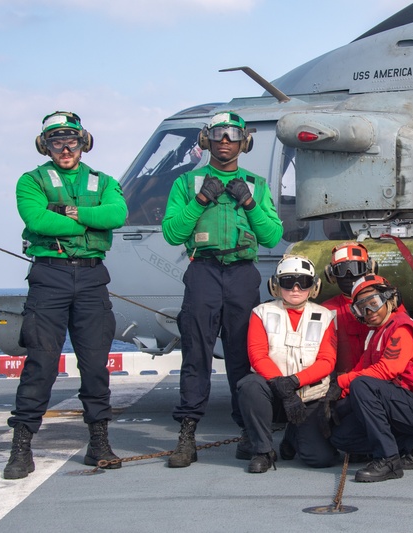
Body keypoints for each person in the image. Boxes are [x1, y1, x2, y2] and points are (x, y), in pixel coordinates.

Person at [4, 111, 128, 479]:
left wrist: (71, 212)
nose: (65, 147)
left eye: (71, 139)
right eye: (56, 140)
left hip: (91, 279)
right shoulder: (31, 181)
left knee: (95, 366)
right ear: (46, 145)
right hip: (49, 276)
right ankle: (22, 446)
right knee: (40, 364)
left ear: (83, 141)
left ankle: (99, 443)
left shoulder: (103, 180)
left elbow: (117, 215)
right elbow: (38, 220)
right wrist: (90, 220)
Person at [162, 112, 283, 467]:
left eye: (232, 135)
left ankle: (248, 431)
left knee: (243, 356)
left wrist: (248, 203)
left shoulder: (255, 185)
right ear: (207, 140)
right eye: (218, 135)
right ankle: (187, 436)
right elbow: (172, 233)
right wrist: (200, 201)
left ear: (244, 142)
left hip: (243, 274)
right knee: (196, 354)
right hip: (203, 271)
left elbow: (273, 235)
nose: (225, 141)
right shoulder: (187, 182)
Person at [329, 275, 413, 482]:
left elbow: (387, 370)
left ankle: (388, 459)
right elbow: (360, 369)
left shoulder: (401, 327)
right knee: (341, 437)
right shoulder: (375, 335)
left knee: (362, 385)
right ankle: (411, 441)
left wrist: (340, 383)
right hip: (400, 405)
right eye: (361, 308)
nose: (369, 312)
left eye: (373, 303)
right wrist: (333, 397)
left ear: (388, 300)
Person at [237, 254, 339, 473]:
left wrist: (294, 381)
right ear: (276, 285)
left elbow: (327, 361)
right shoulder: (262, 313)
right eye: (287, 281)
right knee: (249, 385)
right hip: (273, 393)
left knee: (320, 459)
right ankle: (263, 451)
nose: (295, 289)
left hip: (308, 396)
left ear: (313, 286)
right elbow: (258, 355)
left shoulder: (325, 317)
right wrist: (282, 387)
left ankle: (293, 436)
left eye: (303, 283)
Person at [321, 242, 378, 373]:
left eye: (356, 268)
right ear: (332, 274)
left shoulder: (385, 304)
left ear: (369, 269)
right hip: (341, 381)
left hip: (378, 378)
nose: (349, 275)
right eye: (341, 270)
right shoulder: (326, 310)